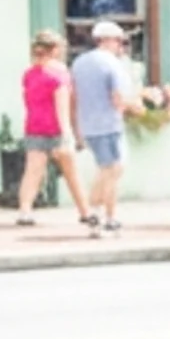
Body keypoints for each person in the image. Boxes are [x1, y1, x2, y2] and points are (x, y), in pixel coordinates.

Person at [68, 20, 135, 235]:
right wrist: (137, 104)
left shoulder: (79, 63)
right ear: (108, 41)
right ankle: (103, 215)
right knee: (112, 170)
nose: (121, 46)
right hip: (109, 124)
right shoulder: (112, 64)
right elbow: (117, 98)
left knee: (107, 169)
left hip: (88, 125)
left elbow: (74, 98)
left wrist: (76, 128)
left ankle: (99, 213)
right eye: (119, 41)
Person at [16, 30, 86, 229]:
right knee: (71, 173)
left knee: (32, 172)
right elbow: (61, 106)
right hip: (55, 129)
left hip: (34, 126)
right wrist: (68, 134)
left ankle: (25, 211)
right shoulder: (59, 76)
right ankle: (85, 211)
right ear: (55, 50)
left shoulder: (29, 75)